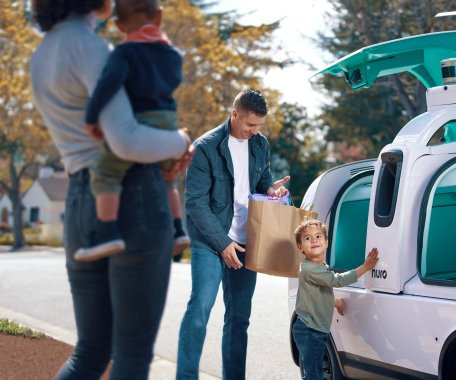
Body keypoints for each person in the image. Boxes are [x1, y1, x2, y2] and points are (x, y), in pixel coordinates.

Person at [30, 0, 192, 378]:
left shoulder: (40, 56)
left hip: (82, 200)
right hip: (133, 196)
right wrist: (180, 141)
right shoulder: (92, 48)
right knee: (132, 354)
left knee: (89, 352)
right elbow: (126, 141)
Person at [177, 89, 290, 380]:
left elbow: (261, 178)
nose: (254, 132)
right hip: (209, 239)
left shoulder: (260, 144)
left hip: (245, 239)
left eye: (259, 126)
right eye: (250, 125)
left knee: (239, 318)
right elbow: (195, 203)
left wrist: (270, 189)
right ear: (235, 113)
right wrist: (222, 242)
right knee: (200, 308)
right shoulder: (205, 148)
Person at [75, 0, 190, 261]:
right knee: (168, 177)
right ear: (159, 17)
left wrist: (92, 117)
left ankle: (106, 231)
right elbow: (172, 79)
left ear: (118, 24)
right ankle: (177, 229)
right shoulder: (172, 55)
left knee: (106, 170)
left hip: (142, 119)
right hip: (169, 120)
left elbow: (109, 84)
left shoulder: (124, 53)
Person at [292, 218, 378, 380]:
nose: (314, 240)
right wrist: (365, 267)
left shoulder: (318, 267)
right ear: (300, 247)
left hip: (311, 329)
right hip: (310, 331)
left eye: (318, 237)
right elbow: (336, 280)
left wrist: (336, 303)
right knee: (314, 375)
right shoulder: (310, 269)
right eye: (308, 238)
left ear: (326, 242)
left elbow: (316, 295)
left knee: (314, 373)